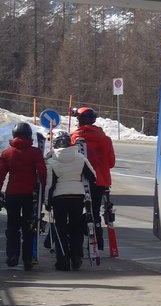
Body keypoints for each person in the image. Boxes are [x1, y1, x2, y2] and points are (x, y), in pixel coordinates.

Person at [0, 122, 49, 269]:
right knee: (29, 226)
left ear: (14, 135)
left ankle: (12, 255)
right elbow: (42, 172)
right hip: (29, 194)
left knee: (12, 226)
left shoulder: (7, 153)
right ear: (29, 135)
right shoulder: (35, 152)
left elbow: (1, 175)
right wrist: (42, 187)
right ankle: (28, 259)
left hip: (12, 194)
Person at [45, 133, 94, 270]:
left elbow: (50, 184)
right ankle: (77, 258)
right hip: (77, 196)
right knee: (76, 228)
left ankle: (63, 260)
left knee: (60, 228)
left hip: (59, 198)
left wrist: (47, 202)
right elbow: (92, 176)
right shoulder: (80, 157)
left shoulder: (51, 161)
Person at [71, 106, 116, 234]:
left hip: (80, 181)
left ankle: (76, 242)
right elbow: (111, 163)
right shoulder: (105, 139)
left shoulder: (74, 138)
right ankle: (97, 237)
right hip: (100, 181)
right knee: (95, 211)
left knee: (77, 211)